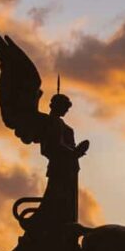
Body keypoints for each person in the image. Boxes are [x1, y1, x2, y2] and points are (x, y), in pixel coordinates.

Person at [35, 92, 89, 229]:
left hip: (68, 167)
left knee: (66, 200)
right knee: (59, 198)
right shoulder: (52, 122)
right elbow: (53, 145)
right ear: (58, 106)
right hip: (60, 167)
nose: (67, 110)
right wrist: (74, 153)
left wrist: (75, 153)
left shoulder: (59, 123)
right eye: (65, 107)